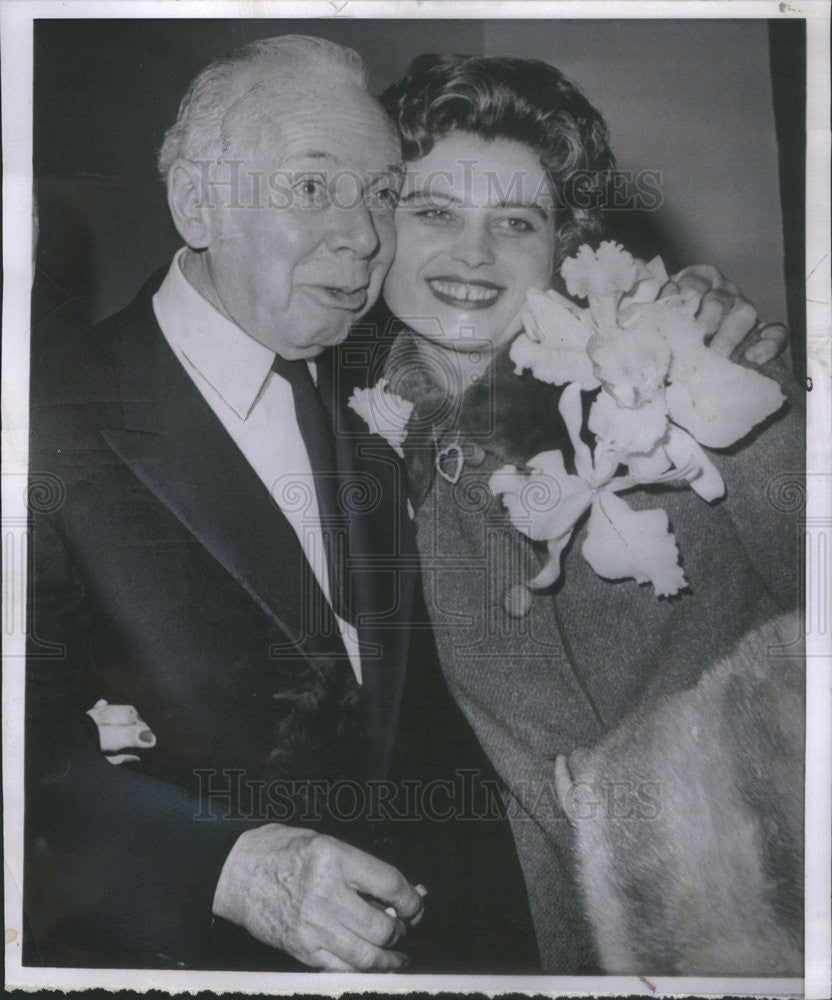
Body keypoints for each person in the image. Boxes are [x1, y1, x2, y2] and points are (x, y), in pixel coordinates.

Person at [24, 36, 538, 974]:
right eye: (312, 187)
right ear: (196, 204)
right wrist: (227, 867)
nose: (363, 236)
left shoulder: (385, 397)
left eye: (382, 194)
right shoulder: (40, 424)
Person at [350, 53, 804, 972]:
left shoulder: (684, 358)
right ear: (379, 225)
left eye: (516, 221)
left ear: (566, 239)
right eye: (434, 212)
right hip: (560, 944)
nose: (473, 256)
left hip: (780, 905)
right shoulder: (343, 443)